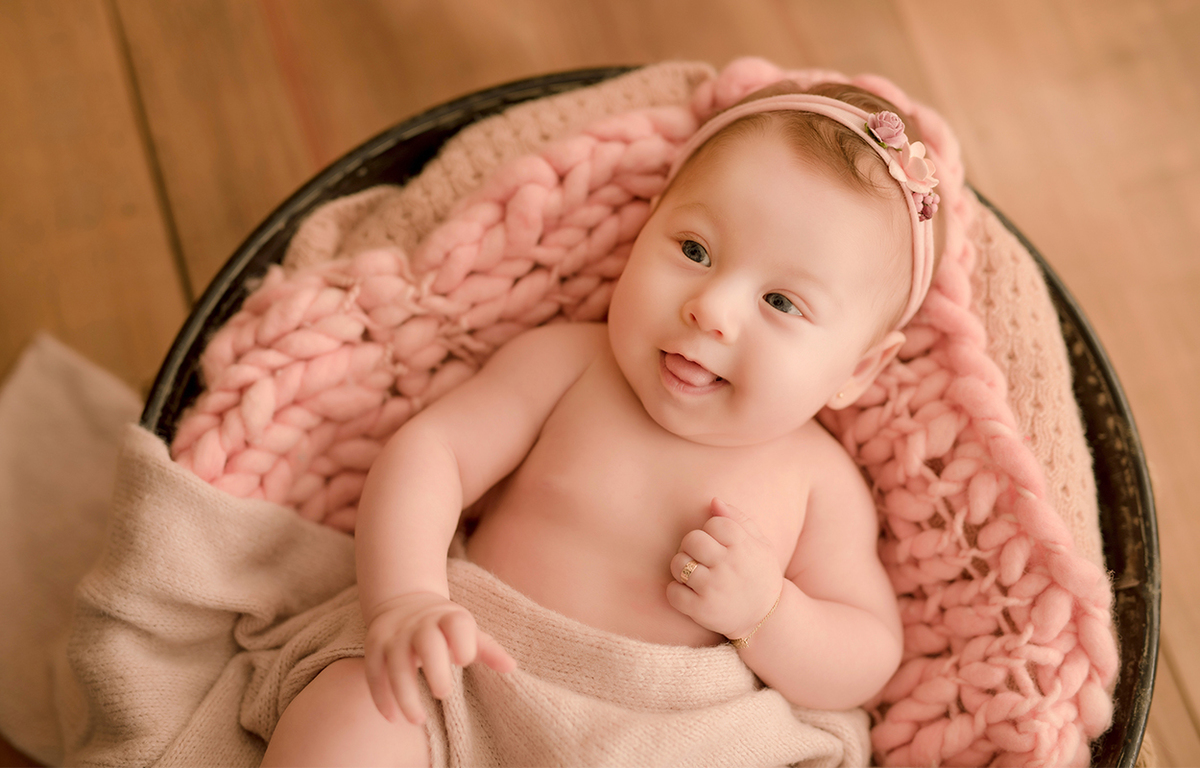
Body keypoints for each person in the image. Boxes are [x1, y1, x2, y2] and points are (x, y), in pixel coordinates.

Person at [262, 80, 940, 767]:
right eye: (695, 251)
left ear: (861, 368)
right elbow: (433, 455)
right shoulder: (568, 365)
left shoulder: (817, 480)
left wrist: (769, 613)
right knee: (357, 714)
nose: (712, 309)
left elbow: (867, 655)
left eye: (781, 302)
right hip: (465, 676)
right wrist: (404, 598)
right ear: (646, 228)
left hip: (668, 739)